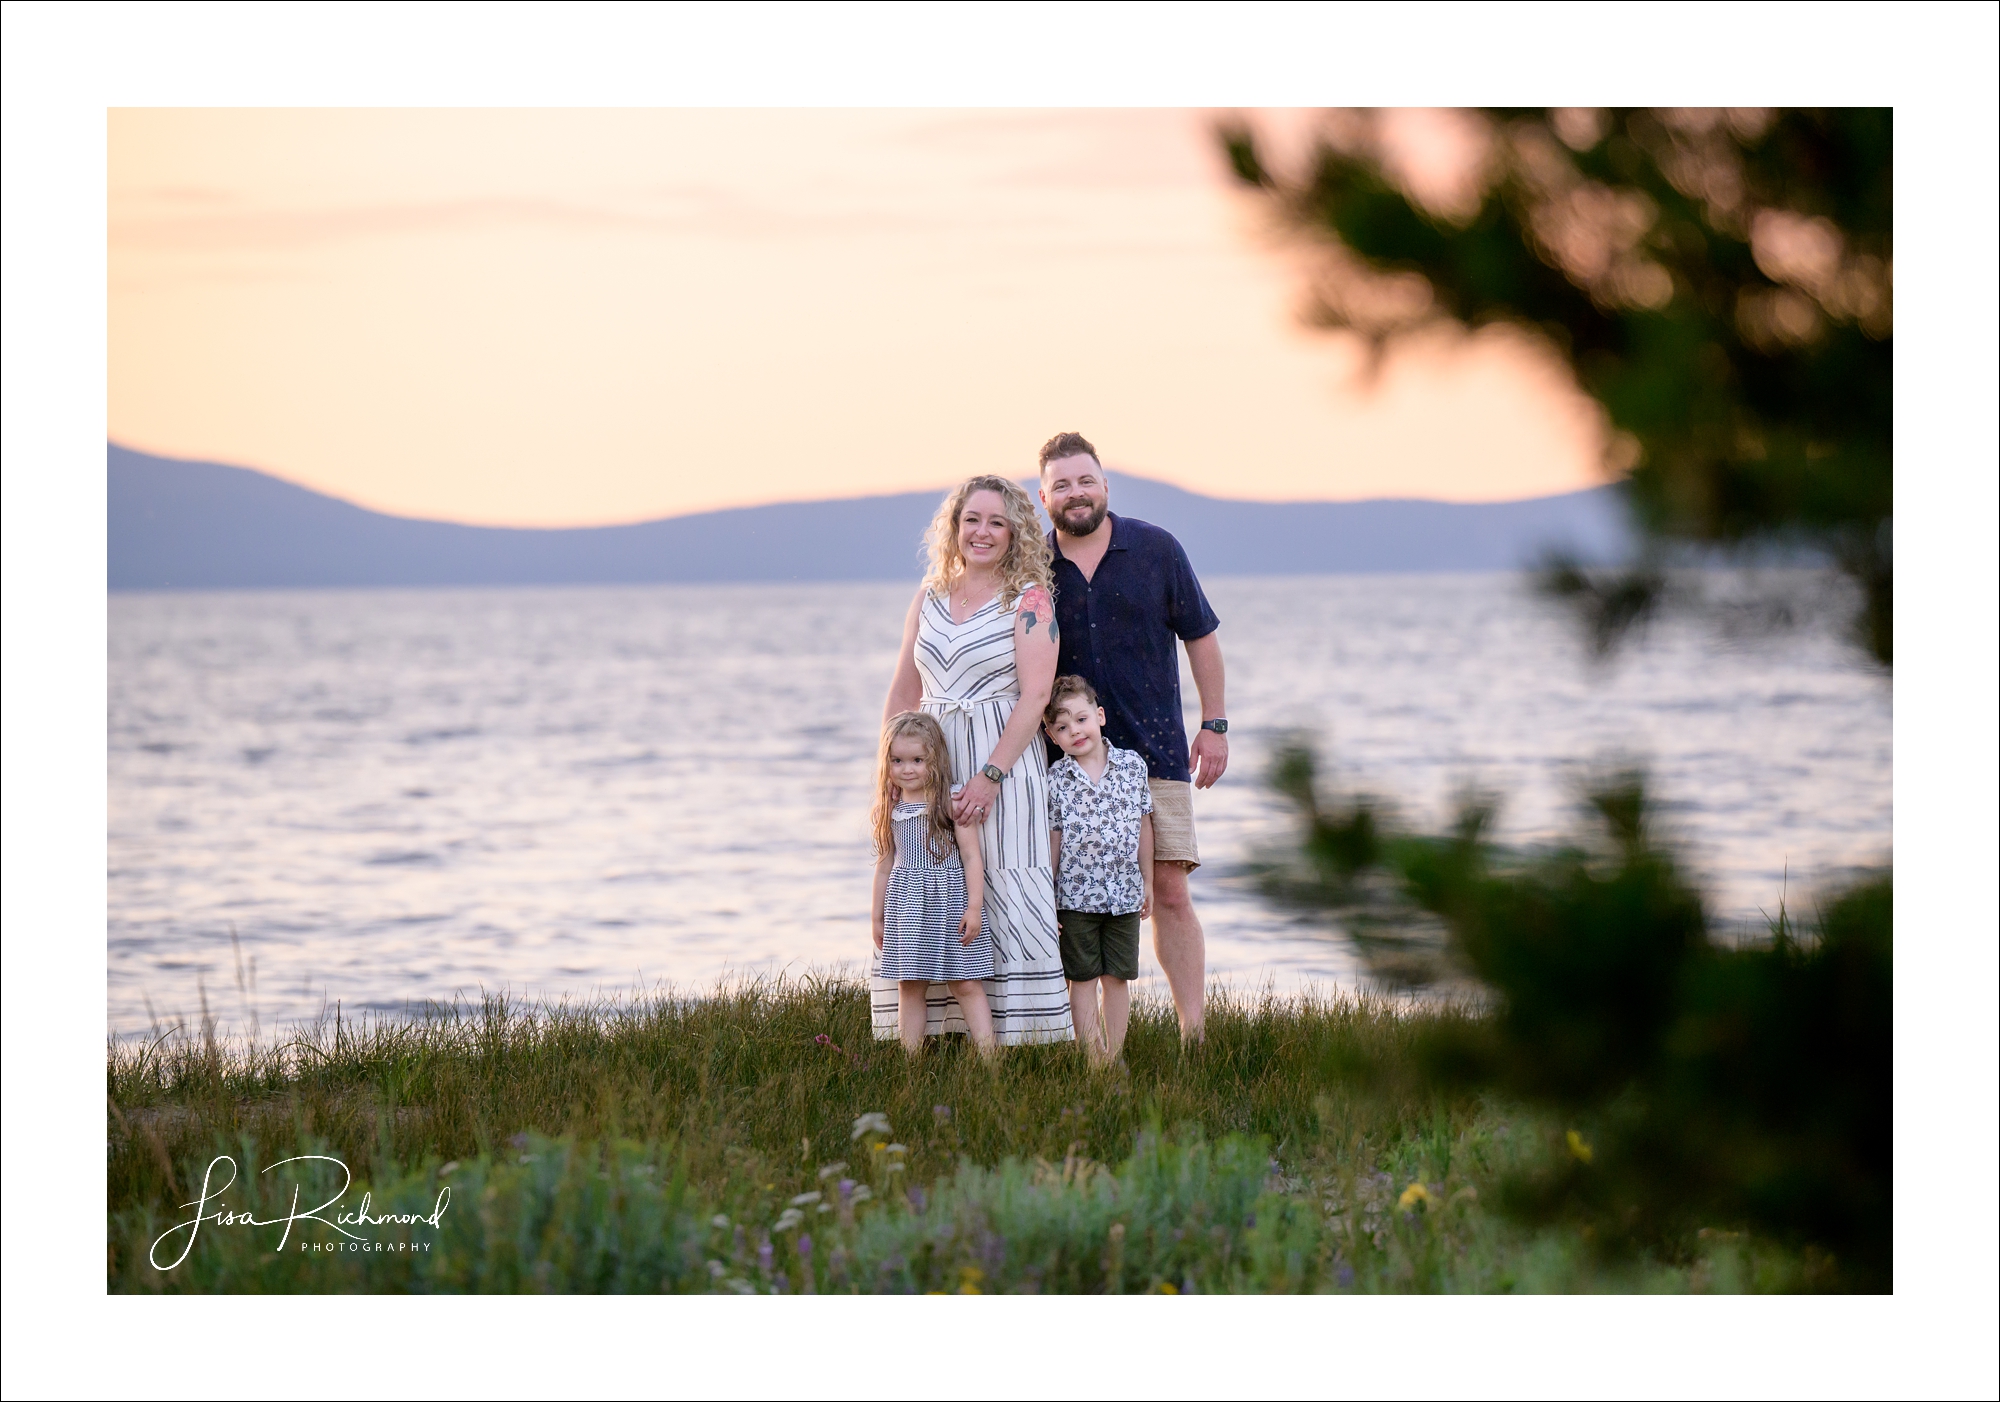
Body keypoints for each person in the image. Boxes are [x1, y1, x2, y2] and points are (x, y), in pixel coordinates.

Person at [1038, 431, 1227, 1044]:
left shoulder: (1156, 549)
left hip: (1156, 752)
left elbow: (1201, 638)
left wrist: (1214, 724)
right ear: (1044, 497)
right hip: (1062, 763)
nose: (1075, 493)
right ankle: (1084, 1043)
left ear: (1105, 486)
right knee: (1069, 898)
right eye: (1061, 484)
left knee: (1169, 891)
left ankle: (1192, 1035)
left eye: (1085, 480)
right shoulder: (1033, 569)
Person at [873, 474, 1075, 1046]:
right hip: (928, 761)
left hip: (1002, 760)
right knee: (928, 883)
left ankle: (1022, 1040)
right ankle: (935, 1033)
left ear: (1015, 533)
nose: (982, 532)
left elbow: (1036, 695)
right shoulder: (929, 595)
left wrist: (989, 776)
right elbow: (903, 689)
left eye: (997, 522)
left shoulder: (1030, 599)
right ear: (954, 527)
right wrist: (888, 770)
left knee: (1001, 884)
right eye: (972, 520)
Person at [870, 710, 997, 1054]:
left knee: (966, 982)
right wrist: (877, 917)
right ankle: (910, 1063)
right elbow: (884, 865)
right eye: (897, 760)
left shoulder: (950, 801)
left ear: (935, 760)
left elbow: (971, 857)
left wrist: (974, 907)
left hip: (950, 902)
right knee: (909, 985)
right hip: (907, 905)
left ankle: (991, 1062)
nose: (906, 769)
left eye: (916, 760)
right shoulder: (891, 806)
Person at [1043, 675, 1152, 1066]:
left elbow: (1144, 825)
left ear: (1100, 716)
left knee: (1117, 977)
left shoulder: (1131, 767)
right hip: (1074, 897)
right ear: (1052, 737)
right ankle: (1093, 1057)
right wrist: (1048, 897)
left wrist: (1148, 882)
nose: (1075, 730)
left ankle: (1115, 1055)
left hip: (1124, 894)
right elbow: (1054, 839)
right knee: (1083, 979)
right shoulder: (1056, 780)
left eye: (1081, 718)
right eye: (1062, 726)